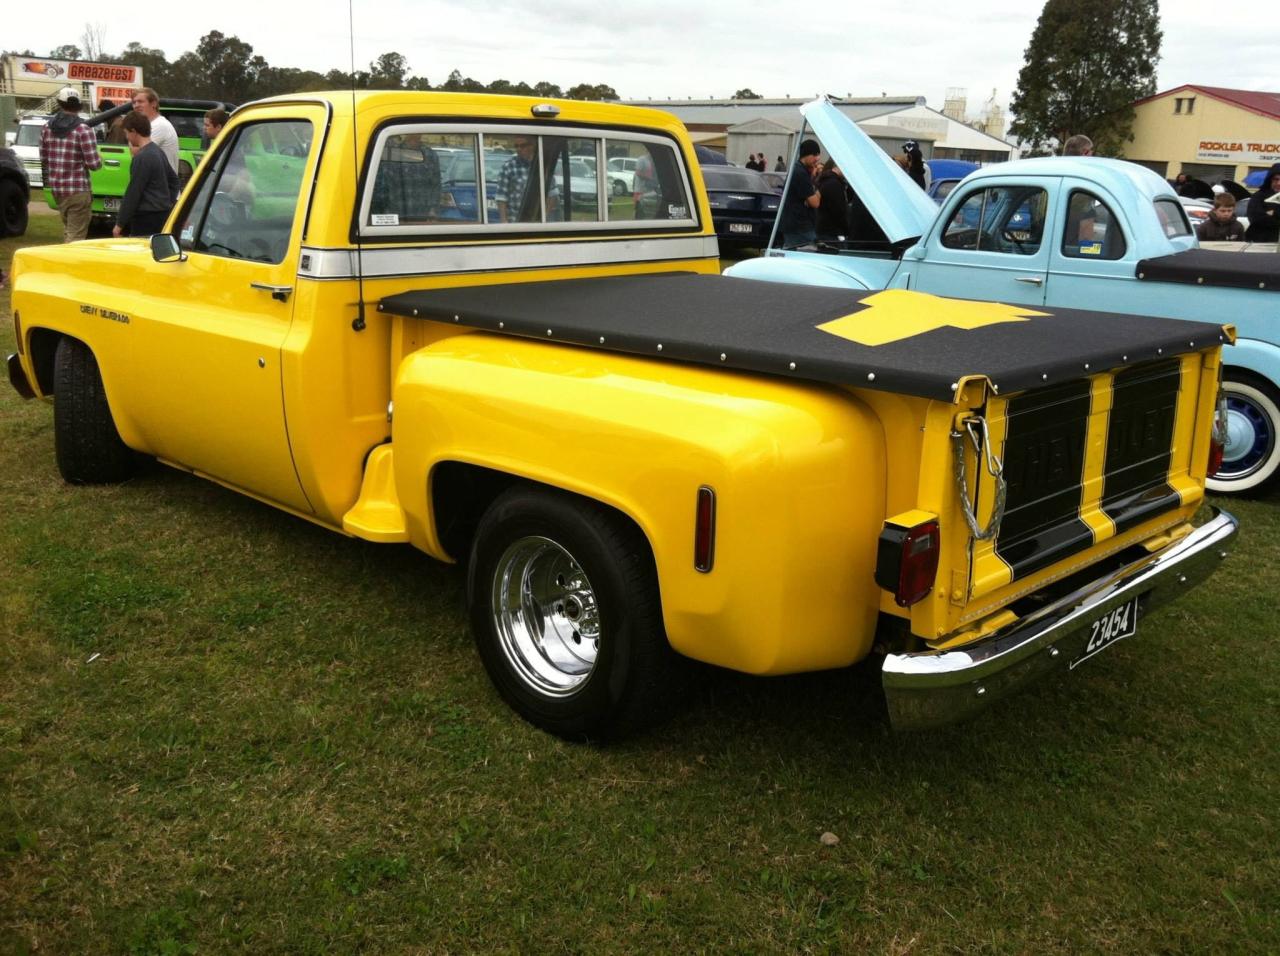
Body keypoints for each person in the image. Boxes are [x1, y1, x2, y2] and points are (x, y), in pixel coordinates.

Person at [39, 86, 103, 243]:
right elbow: (94, 164)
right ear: (79, 106)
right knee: (76, 236)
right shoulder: (84, 130)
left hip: (58, 190)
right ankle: (69, 265)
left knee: (69, 230)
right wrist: (99, 157)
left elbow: (44, 158)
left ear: (60, 103)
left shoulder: (47, 128)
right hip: (78, 190)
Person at [112, 112, 179, 238]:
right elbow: (174, 181)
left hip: (145, 217)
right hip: (162, 214)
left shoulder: (142, 157)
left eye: (126, 133)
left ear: (134, 131)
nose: (127, 138)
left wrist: (119, 224)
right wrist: (167, 202)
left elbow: (134, 192)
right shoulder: (158, 152)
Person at [778, 138, 821, 248]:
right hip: (799, 227)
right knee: (810, 253)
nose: (817, 158)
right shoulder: (800, 173)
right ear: (805, 155)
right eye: (814, 155)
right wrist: (820, 188)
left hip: (794, 225)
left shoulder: (798, 169)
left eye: (818, 155)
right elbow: (815, 203)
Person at [130, 87, 178, 174]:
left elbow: (137, 153)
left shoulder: (159, 125)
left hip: (161, 185)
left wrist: (132, 133)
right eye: (134, 102)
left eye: (140, 102)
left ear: (154, 104)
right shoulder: (149, 125)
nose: (136, 105)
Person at [815, 159, 849, 242]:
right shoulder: (834, 184)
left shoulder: (826, 181)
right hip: (832, 233)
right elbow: (839, 211)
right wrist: (847, 229)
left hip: (824, 230)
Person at [1245, 163, 1280, 243]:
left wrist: (1272, 213)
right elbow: (1255, 218)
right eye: (1276, 179)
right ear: (1270, 179)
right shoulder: (1258, 196)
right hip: (1259, 242)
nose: (1279, 183)